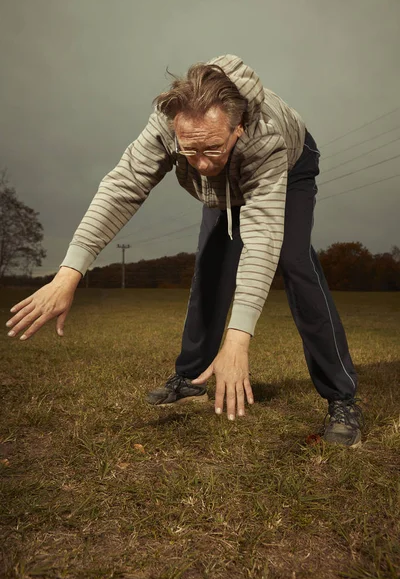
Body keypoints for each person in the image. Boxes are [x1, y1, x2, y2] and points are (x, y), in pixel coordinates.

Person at [6, 54, 363, 447]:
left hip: (292, 165)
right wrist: (68, 274)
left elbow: (261, 239)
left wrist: (238, 340)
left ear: (239, 127)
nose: (201, 164)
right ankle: (192, 378)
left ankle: (341, 397)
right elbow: (123, 186)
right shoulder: (169, 125)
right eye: (189, 151)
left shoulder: (266, 139)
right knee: (210, 264)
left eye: (211, 148)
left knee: (293, 260)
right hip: (227, 170)